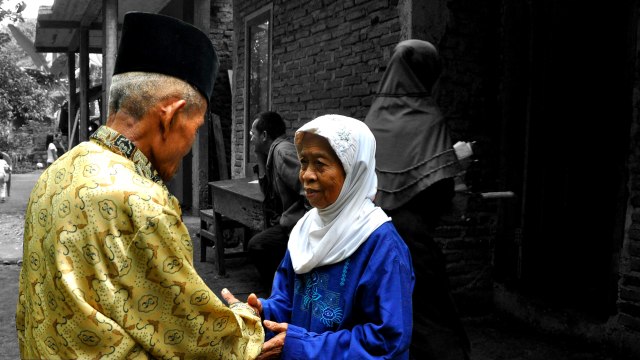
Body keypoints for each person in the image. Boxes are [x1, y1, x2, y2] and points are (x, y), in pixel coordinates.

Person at [16, 12, 263, 359]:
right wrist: (250, 322)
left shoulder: (57, 172)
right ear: (171, 115)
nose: (191, 143)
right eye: (194, 129)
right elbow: (197, 339)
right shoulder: (139, 202)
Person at [238, 114, 415, 359]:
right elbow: (287, 300)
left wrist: (302, 346)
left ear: (353, 170)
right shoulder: (304, 230)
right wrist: (262, 313)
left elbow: (386, 342)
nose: (306, 175)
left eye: (320, 164)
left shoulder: (382, 245)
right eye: (303, 163)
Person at [364, 39, 471, 359]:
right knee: (432, 324)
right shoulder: (430, 119)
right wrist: (457, 162)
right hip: (413, 246)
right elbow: (440, 196)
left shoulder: (370, 123)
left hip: (369, 243)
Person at [248, 111, 307, 292]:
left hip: (299, 227)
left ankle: (279, 292)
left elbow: (309, 189)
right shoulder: (272, 154)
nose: (251, 140)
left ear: (264, 135)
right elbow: (268, 194)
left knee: (257, 245)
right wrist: (259, 154)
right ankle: (280, 289)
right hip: (288, 224)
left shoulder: (283, 152)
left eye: (253, 135)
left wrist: (307, 229)